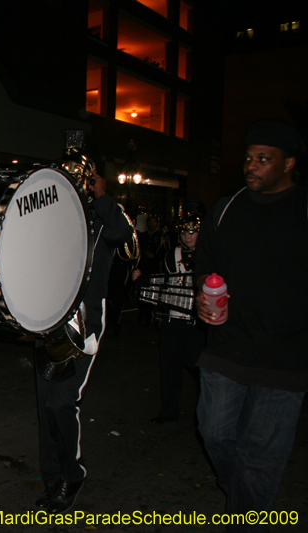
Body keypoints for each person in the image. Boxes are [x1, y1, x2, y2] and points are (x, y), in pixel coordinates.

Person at [194, 118, 307, 531]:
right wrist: (200, 297)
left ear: (289, 164)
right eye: (248, 158)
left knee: (261, 454)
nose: (251, 166)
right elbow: (205, 262)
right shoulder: (226, 208)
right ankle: (241, 494)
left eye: (264, 159)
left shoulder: (304, 210)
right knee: (215, 432)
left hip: (287, 356)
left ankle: (246, 514)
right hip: (227, 344)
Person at [34, 172, 134, 514]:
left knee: (62, 402)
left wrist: (102, 196)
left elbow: (125, 237)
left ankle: (73, 475)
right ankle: (53, 477)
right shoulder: (57, 215)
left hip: (83, 320)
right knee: (45, 403)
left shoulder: (105, 217)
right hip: (49, 318)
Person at [150, 211, 205, 423]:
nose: (189, 236)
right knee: (169, 369)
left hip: (197, 323)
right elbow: (158, 280)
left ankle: (206, 412)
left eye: (194, 232)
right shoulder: (169, 255)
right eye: (185, 232)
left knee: (199, 369)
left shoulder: (208, 255)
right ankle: (169, 411)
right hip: (173, 319)